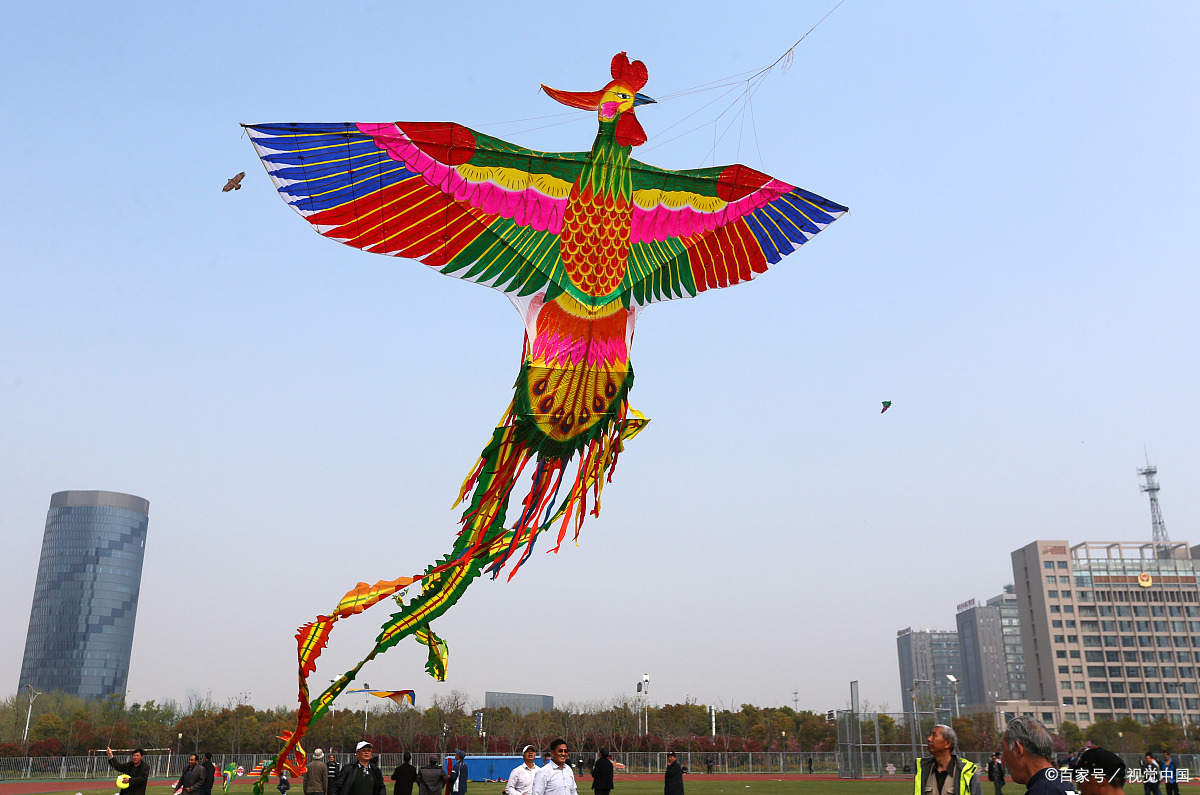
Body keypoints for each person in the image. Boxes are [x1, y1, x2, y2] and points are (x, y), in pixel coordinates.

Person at [1000, 716, 1073, 795]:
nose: (1003, 757)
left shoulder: (1043, 790)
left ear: (1018, 749)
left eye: (1003, 748)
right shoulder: (1059, 783)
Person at [914, 724, 982, 795]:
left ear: (948, 743)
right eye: (930, 735)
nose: (929, 739)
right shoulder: (923, 771)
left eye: (934, 735)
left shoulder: (967, 773)